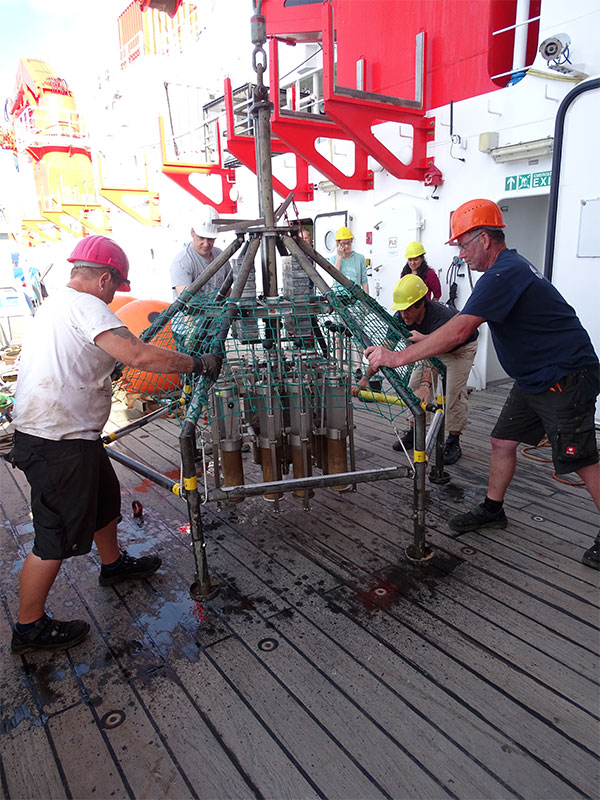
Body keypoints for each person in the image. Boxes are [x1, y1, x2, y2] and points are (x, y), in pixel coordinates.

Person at [8, 235, 222, 654]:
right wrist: (196, 364)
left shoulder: (56, 303)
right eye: (115, 287)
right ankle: (28, 627)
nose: (114, 295)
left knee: (105, 501)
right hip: (56, 440)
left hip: (73, 435)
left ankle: (113, 564)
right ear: (104, 278)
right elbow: (137, 355)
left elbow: (90, 357)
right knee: (54, 537)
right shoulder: (87, 305)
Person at [365, 199, 600, 569]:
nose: (461, 254)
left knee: (582, 460)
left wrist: (393, 357)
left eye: (463, 244)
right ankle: (493, 509)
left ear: (485, 239)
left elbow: (459, 329)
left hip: (563, 376)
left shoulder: (503, 273)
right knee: (501, 440)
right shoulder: (508, 269)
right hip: (532, 378)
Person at [356, 274, 478, 464]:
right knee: (413, 388)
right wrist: (364, 379)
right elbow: (385, 348)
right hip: (430, 346)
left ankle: (454, 440)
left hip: (460, 349)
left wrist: (426, 384)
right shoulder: (401, 317)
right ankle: (415, 431)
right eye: (401, 310)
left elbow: (433, 352)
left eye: (408, 310)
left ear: (422, 304)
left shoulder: (439, 317)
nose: (404, 315)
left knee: (454, 392)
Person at [170, 205, 232, 299]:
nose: (206, 244)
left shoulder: (221, 256)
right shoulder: (182, 262)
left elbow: (229, 291)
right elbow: (187, 302)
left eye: (210, 238)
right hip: (190, 313)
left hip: (218, 312)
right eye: (201, 238)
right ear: (192, 232)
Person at [330, 226, 369, 294]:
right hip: (341, 299)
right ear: (338, 244)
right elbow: (335, 277)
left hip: (357, 298)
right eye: (343, 244)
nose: (347, 246)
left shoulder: (360, 258)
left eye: (349, 243)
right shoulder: (333, 259)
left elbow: (364, 280)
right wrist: (339, 256)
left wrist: (367, 301)